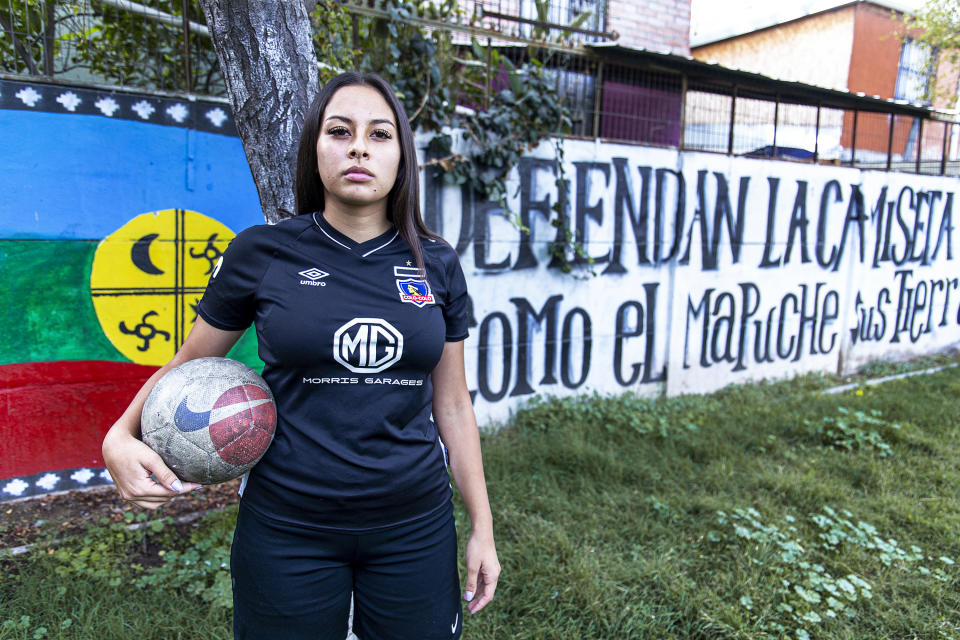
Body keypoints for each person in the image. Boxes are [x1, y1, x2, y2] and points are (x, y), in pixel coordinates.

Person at [102, 71, 500, 640]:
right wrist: (120, 434)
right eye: (340, 131)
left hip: (413, 523)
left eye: (379, 134)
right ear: (316, 149)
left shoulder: (434, 262)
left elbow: (454, 405)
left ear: (401, 157)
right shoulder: (262, 252)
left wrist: (482, 526)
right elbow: (188, 363)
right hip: (288, 524)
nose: (359, 146)